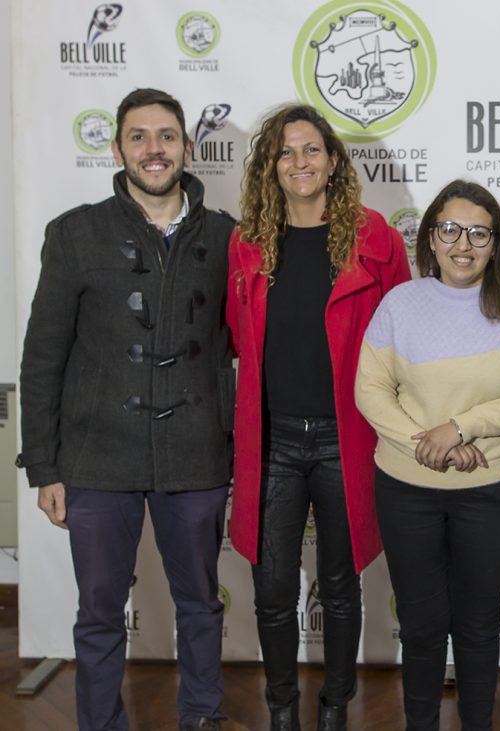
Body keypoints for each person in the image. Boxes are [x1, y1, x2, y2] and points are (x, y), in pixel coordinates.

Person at [18, 88, 234, 731]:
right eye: (138, 137)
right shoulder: (74, 233)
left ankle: (201, 717)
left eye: (166, 136)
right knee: (100, 611)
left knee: (199, 604)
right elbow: (41, 358)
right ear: (116, 149)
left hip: (195, 450)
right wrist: (43, 465)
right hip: (94, 456)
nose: (153, 149)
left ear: (188, 148)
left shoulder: (228, 237)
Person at [226, 104, 410, 731]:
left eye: (310, 150)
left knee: (339, 585)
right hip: (273, 440)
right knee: (272, 589)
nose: (298, 162)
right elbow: (235, 334)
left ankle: (334, 708)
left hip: (345, 438)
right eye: (284, 152)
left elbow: (402, 333)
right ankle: (282, 710)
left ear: (333, 161)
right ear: (269, 167)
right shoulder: (248, 241)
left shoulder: (374, 237)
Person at [355, 179, 500, 731]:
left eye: (478, 232)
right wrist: (433, 446)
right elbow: (370, 390)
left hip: (492, 491)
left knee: (476, 624)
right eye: (449, 229)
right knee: (421, 625)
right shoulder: (401, 303)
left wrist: (461, 430)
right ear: (430, 238)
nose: (462, 244)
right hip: (407, 490)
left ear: (496, 243)